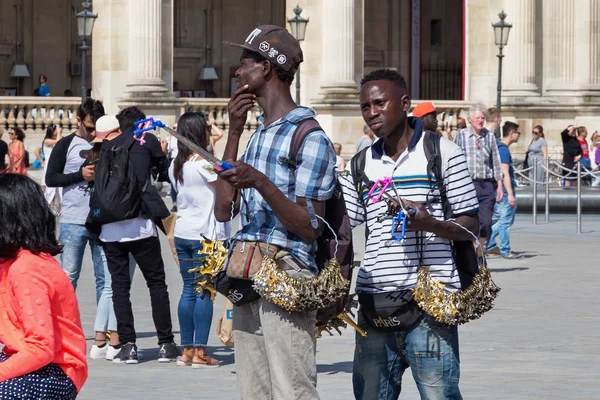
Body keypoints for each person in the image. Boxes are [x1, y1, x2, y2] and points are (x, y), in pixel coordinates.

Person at [339, 69, 479, 400]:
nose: (371, 113)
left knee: (440, 395)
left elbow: (471, 223)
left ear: (405, 104)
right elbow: (342, 225)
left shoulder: (442, 153)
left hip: (431, 306)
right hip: (375, 302)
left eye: (379, 103)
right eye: (365, 107)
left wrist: (429, 223)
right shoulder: (361, 165)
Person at [215, 25, 337, 400]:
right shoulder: (256, 135)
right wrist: (234, 133)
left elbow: (310, 227)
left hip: (287, 275)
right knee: (254, 391)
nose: (238, 73)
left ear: (267, 67)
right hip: (247, 274)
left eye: (245, 63)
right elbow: (222, 210)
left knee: (292, 389)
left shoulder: (309, 136)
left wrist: (262, 183)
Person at [96, 106, 179, 365]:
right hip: (140, 224)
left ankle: (128, 346)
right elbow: (164, 171)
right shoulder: (147, 139)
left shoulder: (108, 145)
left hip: (110, 226)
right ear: (142, 123)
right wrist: (162, 154)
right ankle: (166, 343)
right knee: (156, 283)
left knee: (120, 287)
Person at [0, 174, 87, 399]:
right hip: (21, 354)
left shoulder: (26, 268)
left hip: (57, 368)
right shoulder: (9, 262)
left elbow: (41, 348)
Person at [168, 112, 230, 368]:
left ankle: (187, 349)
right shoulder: (205, 164)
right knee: (204, 292)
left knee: (188, 290)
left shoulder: (175, 164)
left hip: (183, 231)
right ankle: (201, 351)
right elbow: (226, 192)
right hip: (207, 235)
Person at [454, 104, 503, 254]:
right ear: (470, 120)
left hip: (486, 185)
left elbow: (495, 161)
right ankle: (470, 252)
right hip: (467, 184)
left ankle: (479, 251)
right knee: (468, 221)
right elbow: (455, 160)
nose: (480, 121)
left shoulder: (490, 137)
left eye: (482, 118)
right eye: (477, 118)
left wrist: (499, 185)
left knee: (486, 222)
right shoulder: (461, 135)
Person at [488, 122, 521, 259]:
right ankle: (505, 249)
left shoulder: (500, 148)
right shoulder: (503, 150)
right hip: (505, 190)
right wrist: (511, 195)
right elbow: (504, 173)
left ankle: (489, 244)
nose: (519, 135)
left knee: (501, 220)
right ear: (512, 134)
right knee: (505, 222)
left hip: (501, 190)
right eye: (518, 132)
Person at [36, 124, 63, 208]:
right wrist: (42, 162)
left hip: (58, 165)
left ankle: (61, 209)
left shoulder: (59, 138)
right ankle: (48, 207)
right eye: (55, 130)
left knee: (60, 188)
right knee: (50, 189)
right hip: (49, 165)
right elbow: (58, 142)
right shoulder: (46, 140)